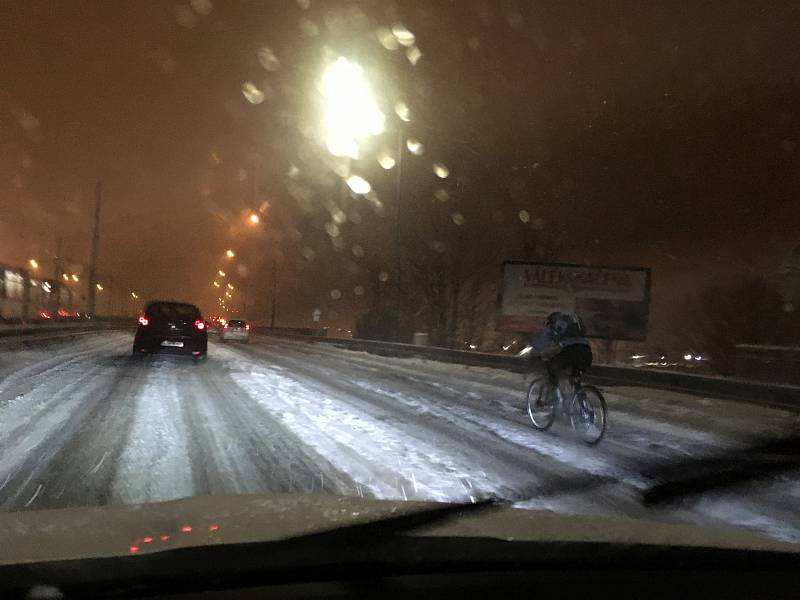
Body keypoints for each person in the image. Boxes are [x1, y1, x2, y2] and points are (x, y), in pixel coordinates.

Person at [529, 312, 592, 401]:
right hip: (586, 351)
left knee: (554, 370)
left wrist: (534, 352)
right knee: (574, 377)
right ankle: (584, 406)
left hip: (570, 351)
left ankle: (559, 403)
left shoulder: (553, 325)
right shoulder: (574, 324)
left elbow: (542, 341)